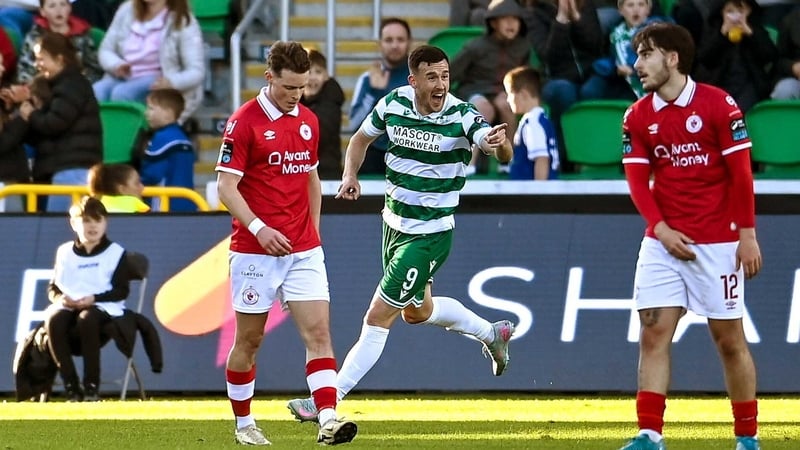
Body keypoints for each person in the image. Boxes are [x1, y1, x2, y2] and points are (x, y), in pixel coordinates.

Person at [286, 45, 516, 425]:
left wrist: (499, 143)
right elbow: (360, 140)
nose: (440, 84)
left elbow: (499, 151)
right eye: (432, 77)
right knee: (417, 312)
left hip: (430, 235)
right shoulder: (394, 104)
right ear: (413, 81)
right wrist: (350, 175)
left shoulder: (462, 115)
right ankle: (491, 333)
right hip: (393, 225)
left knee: (377, 318)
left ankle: (326, 401)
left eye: (445, 76)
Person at [619, 22, 762, 450]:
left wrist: (748, 235)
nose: (637, 64)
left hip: (718, 242)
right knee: (653, 332)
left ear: (672, 58)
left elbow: (741, 175)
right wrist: (661, 229)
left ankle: (747, 437)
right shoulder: (637, 115)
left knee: (729, 341)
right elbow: (636, 180)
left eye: (646, 54)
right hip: (662, 242)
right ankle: (649, 435)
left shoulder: (719, 105)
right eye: (637, 55)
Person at [214, 40, 357, 447]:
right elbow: (225, 187)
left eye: (302, 87)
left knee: (320, 334)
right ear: (269, 77)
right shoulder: (244, 122)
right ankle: (244, 424)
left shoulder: (309, 120)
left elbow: (311, 178)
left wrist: (313, 233)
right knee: (249, 341)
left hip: (303, 250)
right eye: (289, 87)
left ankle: (327, 419)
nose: (297, 95)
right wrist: (260, 229)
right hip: (254, 251)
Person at [45, 196, 138, 401]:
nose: (93, 226)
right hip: (71, 306)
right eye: (86, 220)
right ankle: (71, 386)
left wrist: (94, 298)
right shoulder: (65, 252)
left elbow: (121, 291)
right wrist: (62, 299)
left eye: (98, 220)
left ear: (106, 222)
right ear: (74, 223)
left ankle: (91, 387)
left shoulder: (115, 253)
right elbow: (53, 288)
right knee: (54, 320)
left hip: (104, 308)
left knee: (87, 318)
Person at [22, 30, 102, 212]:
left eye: (41, 59)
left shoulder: (71, 85)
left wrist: (31, 114)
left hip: (72, 170)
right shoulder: (60, 85)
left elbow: (54, 123)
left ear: (59, 59)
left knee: (60, 226)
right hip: (62, 168)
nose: (36, 65)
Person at [524, 0, 605, 173]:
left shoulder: (586, 6)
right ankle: (564, 160)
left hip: (590, 74)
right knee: (563, 93)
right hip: (556, 77)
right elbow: (547, 55)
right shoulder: (535, 14)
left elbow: (596, 45)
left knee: (593, 91)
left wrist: (577, 19)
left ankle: (596, 159)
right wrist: (560, 22)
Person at [451, 0, 530, 176]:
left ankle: (507, 160)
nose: (511, 24)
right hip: (474, 90)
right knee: (483, 108)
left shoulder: (523, 47)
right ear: (493, 23)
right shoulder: (476, 46)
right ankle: (469, 163)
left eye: (515, 19)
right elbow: (450, 73)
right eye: (505, 19)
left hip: (502, 91)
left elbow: (526, 76)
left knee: (507, 104)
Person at [94, 0, 204, 124]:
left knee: (122, 93)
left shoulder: (183, 20)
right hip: (124, 75)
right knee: (97, 91)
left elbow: (196, 71)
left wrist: (172, 82)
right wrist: (116, 64)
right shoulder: (126, 9)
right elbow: (105, 50)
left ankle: (128, 133)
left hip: (158, 79)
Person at [348, 17, 411, 175]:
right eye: (389, 40)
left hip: (411, 155)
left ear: (409, 42)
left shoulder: (420, 79)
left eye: (400, 40)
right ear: (380, 44)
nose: (395, 45)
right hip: (373, 155)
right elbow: (354, 124)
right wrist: (374, 93)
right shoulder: (367, 79)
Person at [694, 0, 778, 113]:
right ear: (722, 12)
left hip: (749, 83)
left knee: (739, 110)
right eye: (730, 11)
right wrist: (722, 34)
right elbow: (704, 58)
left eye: (740, 11)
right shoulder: (714, 29)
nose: (735, 16)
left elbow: (770, 55)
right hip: (718, 82)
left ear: (749, 11)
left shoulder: (755, 28)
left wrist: (750, 33)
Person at [584, 0, 668, 101]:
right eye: (630, 5)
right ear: (621, 10)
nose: (636, 10)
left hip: (649, 81)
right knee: (591, 89)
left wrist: (633, 69)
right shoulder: (615, 34)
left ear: (648, 10)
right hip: (622, 81)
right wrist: (614, 68)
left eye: (641, 5)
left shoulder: (656, 30)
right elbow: (611, 58)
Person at [15, 0, 102, 84]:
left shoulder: (82, 34)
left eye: (63, 4)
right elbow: (25, 69)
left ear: (69, 7)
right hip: (44, 87)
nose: (58, 10)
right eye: (52, 6)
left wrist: (81, 83)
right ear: (42, 11)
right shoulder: (35, 36)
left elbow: (94, 68)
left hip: (78, 86)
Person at [140, 87, 195, 212]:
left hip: (164, 206)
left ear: (168, 113)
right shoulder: (183, 138)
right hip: (186, 203)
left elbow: (152, 174)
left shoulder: (162, 137)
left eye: (151, 108)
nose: (146, 113)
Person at [503, 65, 560, 179]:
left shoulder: (533, 124)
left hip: (530, 188)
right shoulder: (540, 120)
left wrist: (539, 189)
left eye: (510, 94)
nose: (508, 100)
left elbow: (541, 159)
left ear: (523, 94)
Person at [300, 49, 344, 180]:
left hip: (326, 175)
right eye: (308, 72)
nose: (312, 77)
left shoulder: (332, 99)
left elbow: (317, 135)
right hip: (297, 173)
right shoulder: (292, 101)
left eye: (318, 72)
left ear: (326, 76)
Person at [770, 7, 800, 99]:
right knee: (784, 90)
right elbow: (778, 60)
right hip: (796, 79)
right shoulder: (791, 20)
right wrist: (793, 67)